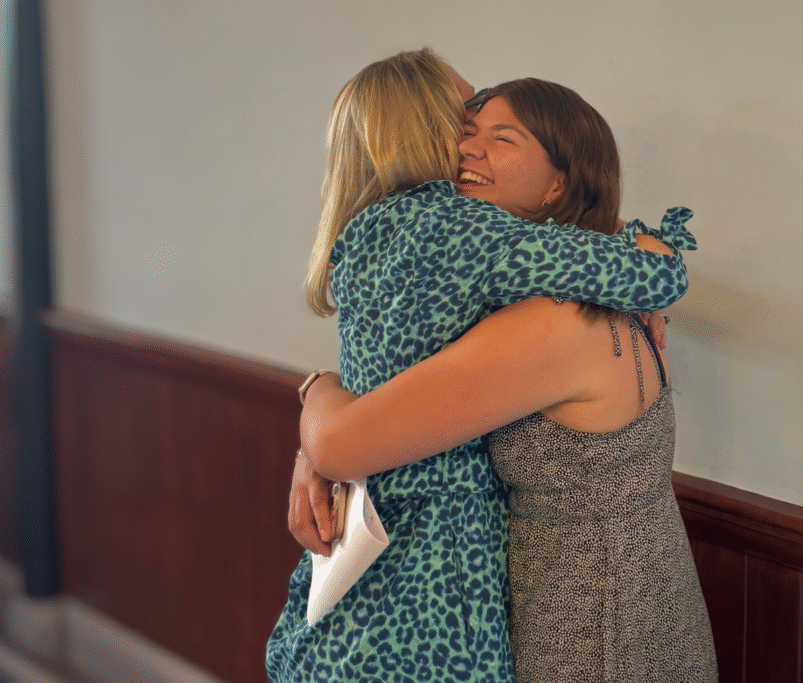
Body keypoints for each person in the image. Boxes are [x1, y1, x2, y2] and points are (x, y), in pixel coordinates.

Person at [266, 50, 694, 683]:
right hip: (597, 593)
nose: (468, 148)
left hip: (587, 625)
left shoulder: (548, 318)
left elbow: (339, 440)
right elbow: (404, 392)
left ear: (558, 184)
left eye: (501, 137)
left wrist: (319, 394)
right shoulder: (501, 278)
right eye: (464, 127)